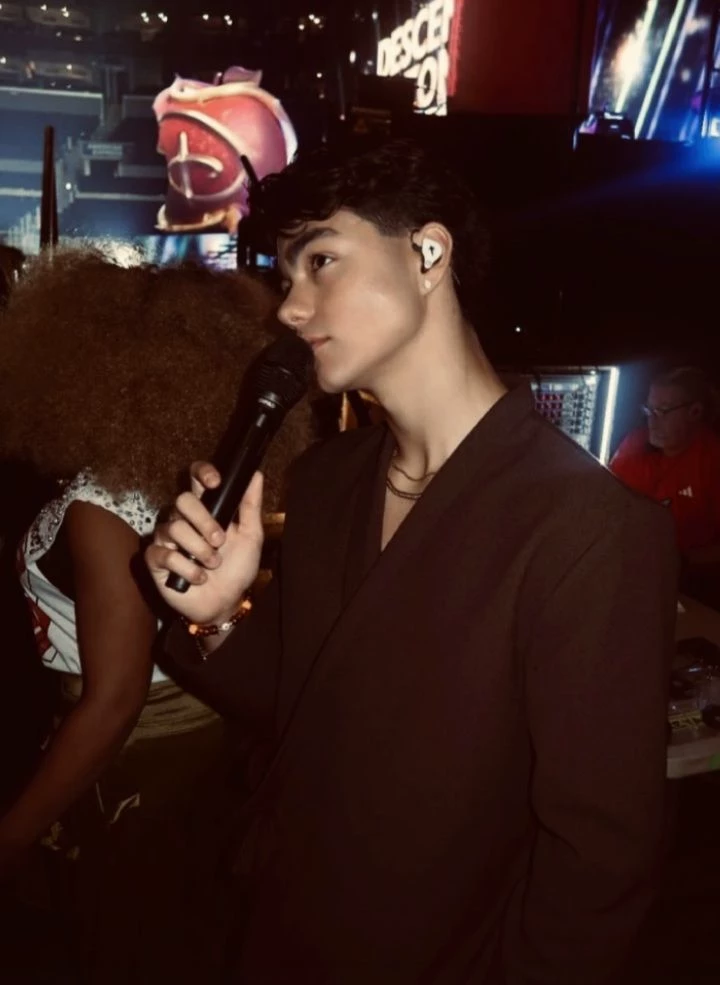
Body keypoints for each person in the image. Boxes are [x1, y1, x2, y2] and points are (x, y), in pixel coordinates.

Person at [146, 139, 677, 984]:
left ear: (428, 254)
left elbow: (597, 864)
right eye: (287, 275)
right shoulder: (326, 480)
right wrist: (216, 616)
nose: (290, 307)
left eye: (321, 260)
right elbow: (305, 704)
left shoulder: (587, 528)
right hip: (280, 927)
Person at [0, 248, 309, 981]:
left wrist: (11, 836)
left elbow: (115, 701)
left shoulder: (98, 510)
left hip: (136, 762)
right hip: (185, 750)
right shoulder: (160, 485)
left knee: (126, 943)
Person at [610, 367, 720, 606]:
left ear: (695, 412)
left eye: (663, 411)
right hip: (627, 573)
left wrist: (682, 560)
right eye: (649, 410)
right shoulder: (633, 445)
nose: (652, 421)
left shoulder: (712, 461)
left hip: (690, 586)